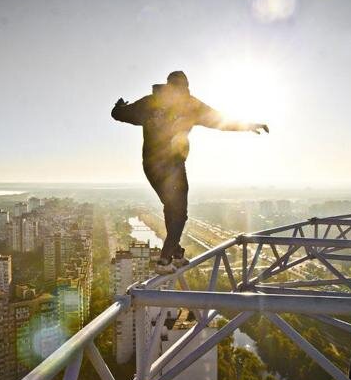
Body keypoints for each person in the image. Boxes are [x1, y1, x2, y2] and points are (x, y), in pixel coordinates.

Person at [111, 71, 269, 275]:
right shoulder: (189, 105)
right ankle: (165, 259)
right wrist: (247, 126)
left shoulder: (151, 103)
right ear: (184, 88)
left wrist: (120, 105)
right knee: (179, 212)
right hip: (172, 165)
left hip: (151, 165)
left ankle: (175, 253)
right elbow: (219, 121)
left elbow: (119, 115)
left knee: (172, 208)